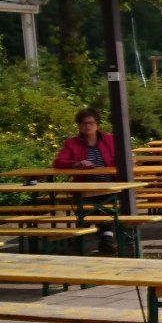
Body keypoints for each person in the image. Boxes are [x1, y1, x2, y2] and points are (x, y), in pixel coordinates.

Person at [52, 107, 118, 253]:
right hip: (85, 185)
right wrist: (77, 164)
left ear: (97, 124)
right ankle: (106, 236)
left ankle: (93, 236)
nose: (87, 126)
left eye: (90, 123)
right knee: (99, 203)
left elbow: (122, 157)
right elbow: (58, 162)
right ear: (79, 126)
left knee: (103, 199)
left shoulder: (110, 140)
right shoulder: (72, 143)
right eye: (83, 123)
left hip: (109, 183)